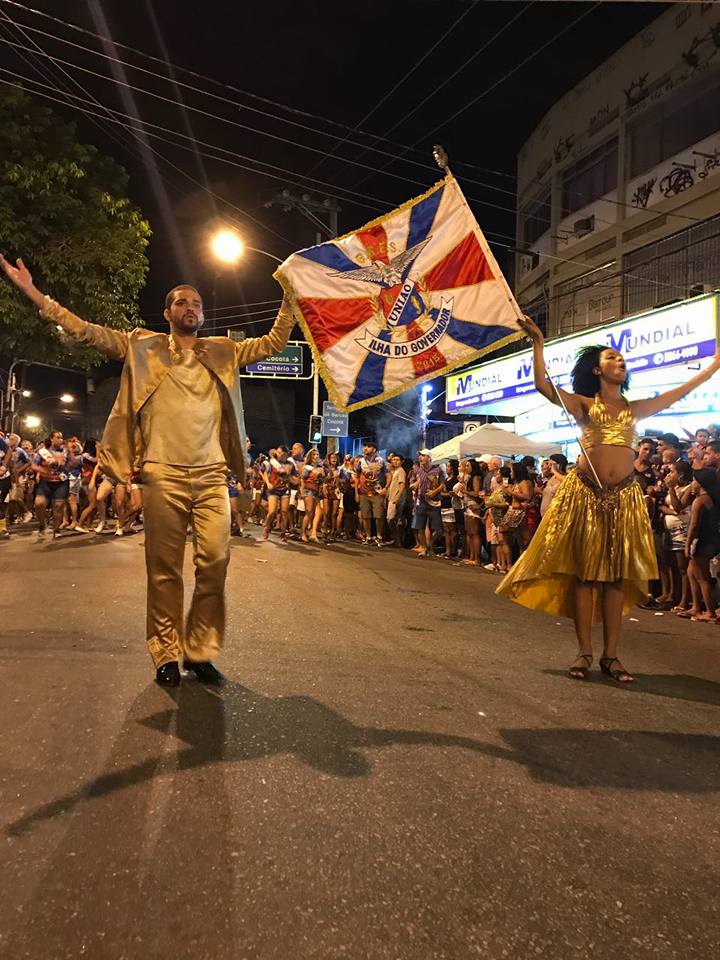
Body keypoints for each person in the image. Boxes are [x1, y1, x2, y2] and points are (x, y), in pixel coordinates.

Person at [1, 254, 295, 687]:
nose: (189, 307)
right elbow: (87, 332)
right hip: (162, 473)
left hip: (213, 474)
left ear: (202, 313)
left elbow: (272, 343)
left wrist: (290, 298)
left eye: (195, 302)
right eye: (180, 302)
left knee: (215, 560)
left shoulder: (225, 351)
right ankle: (165, 653)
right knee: (164, 569)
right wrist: (33, 294)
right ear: (168, 313)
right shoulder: (142, 345)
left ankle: (199, 649)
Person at [498, 314, 720, 683]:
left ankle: (611, 656)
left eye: (621, 359)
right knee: (586, 578)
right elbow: (543, 386)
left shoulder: (633, 409)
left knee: (616, 579)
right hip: (585, 494)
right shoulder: (585, 405)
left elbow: (677, 394)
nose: (620, 362)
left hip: (624, 498)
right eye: (611, 358)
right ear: (597, 371)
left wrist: (713, 365)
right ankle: (584, 653)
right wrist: (538, 343)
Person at [684, 468, 720, 622]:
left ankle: (710, 612)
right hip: (710, 539)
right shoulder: (713, 499)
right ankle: (696, 607)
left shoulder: (700, 501)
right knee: (691, 572)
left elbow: (694, 525)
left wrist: (688, 544)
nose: (692, 484)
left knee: (702, 576)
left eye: (694, 481)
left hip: (701, 541)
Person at [31, 431, 75, 541]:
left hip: (61, 482)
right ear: (51, 439)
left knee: (58, 506)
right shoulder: (42, 452)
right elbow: (34, 465)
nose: (60, 439)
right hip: (45, 482)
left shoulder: (65, 452)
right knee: (39, 504)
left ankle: (56, 529)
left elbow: (74, 464)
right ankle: (42, 524)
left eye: (61, 437)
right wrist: (44, 472)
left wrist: (71, 453)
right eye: (58, 437)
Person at [409, 449, 443, 558]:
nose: (421, 458)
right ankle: (424, 548)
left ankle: (429, 545)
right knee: (419, 527)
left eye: (423, 456)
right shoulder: (416, 469)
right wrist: (414, 485)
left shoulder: (438, 469)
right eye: (420, 456)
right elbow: (411, 483)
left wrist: (435, 491)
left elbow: (443, 483)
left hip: (434, 502)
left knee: (438, 529)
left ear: (429, 458)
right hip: (421, 500)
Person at [262, 445, 296, 543]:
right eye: (278, 452)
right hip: (273, 489)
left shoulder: (290, 465)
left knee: (284, 511)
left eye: (282, 453)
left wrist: (291, 478)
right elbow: (263, 472)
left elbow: (294, 477)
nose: (279, 455)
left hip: (285, 489)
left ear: (286, 454)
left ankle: (283, 532)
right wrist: (268, 483)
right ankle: (267, 527)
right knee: (272, 511)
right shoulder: (271, 462)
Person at [356, 441, 387, 545]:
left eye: (368, 447)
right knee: (365, 516)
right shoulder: (361, 461)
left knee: (379, 515)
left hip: (377, 492)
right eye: (365, 446)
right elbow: (357, 476)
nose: (365, 448)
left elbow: (388, 475)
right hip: (364, 492)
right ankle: (368, 536)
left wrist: (385, 488)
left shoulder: (381, 461)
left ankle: (379, 536)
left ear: (374, 449)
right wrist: (357, 492)